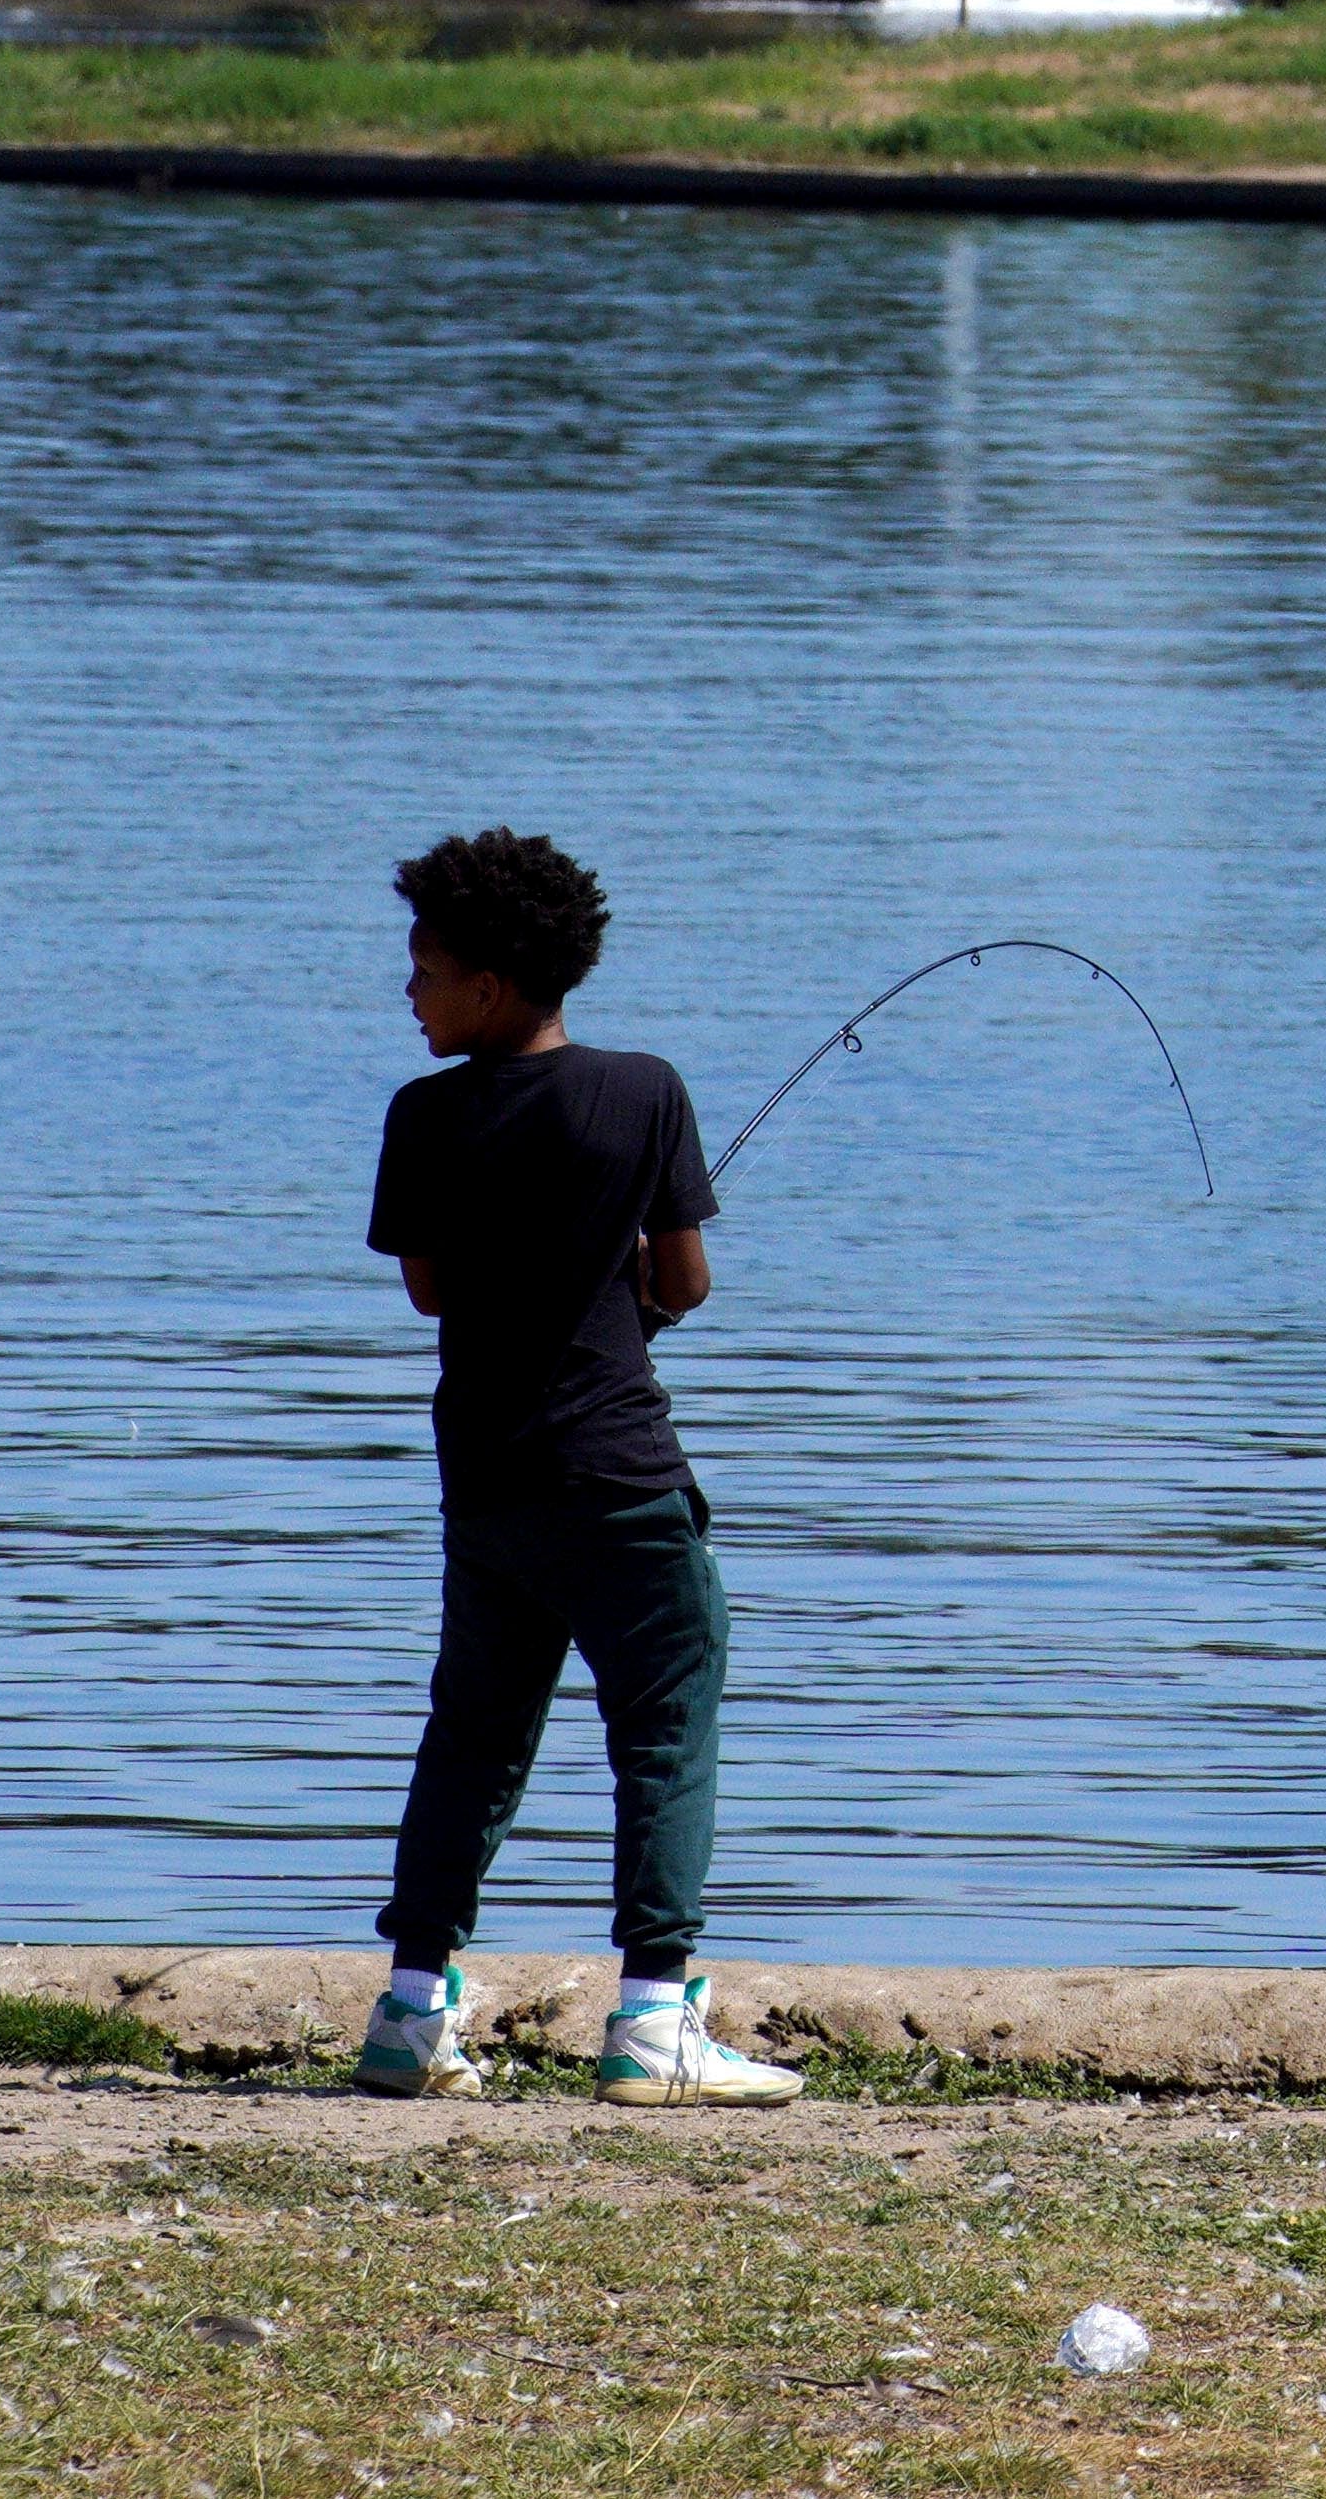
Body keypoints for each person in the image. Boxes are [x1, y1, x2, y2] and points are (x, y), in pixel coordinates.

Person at [353, 826, 794, 2101]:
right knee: (662, 1727)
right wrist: (625, 1298)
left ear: (490, 983)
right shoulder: (644, 1089)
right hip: (617, 1479)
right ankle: (654, 2021)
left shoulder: (421, 1115)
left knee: (472, 1740)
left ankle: (409, 2011)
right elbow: (684, 1281)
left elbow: (434, 1293)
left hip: (486, 1486)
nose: (411, 990)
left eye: (424, 968)